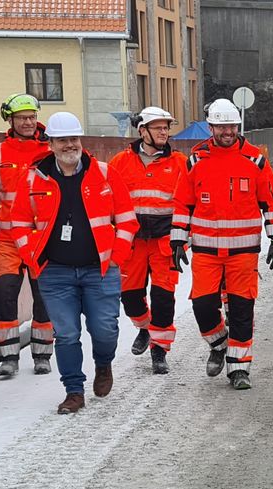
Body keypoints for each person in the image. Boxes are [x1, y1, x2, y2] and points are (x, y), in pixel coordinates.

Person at [10, 112, 139, 414]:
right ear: (51, 144)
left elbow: (127, 220)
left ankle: (103, 364)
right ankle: (73, 390)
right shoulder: (34, 178)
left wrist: (116, 257)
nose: (70, 145)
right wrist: (33, 258)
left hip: (100, 270)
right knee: (66, 334)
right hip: (55, 273)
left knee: (104, 329)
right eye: (63, 140)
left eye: (74, 139)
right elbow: (16, 222)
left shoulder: (104, 174)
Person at [171, 99, 273, 389]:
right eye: (221, 126)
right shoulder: (196, 161)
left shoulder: (255, 160)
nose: (227, 132)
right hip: (206, 252)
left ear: (238, 126)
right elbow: (183, 203)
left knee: (242, 310)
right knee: (203, 306)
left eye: (231, 126)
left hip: (243, 253)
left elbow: (270, 201)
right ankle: (219, 343)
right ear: (211, 128)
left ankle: (239, 369)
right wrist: (177, 240)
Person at [0, 93, 54, 378]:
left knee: (45, 296)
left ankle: (42, 353)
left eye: (32, 117)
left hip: (41, 238)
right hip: (7, 239)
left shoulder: (51, 150)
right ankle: (8, 357)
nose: (28, 122)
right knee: (4, 292)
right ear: (10, 120)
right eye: (22, 118)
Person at [108, 106, 187, 374]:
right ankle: (144, 327)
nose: (164, 132)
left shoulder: (178, 163)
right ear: (142, 131)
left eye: (166, 127)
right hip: (132, 242)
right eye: (158, 127)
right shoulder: (120, 162)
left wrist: (183, 239)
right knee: (130, 297)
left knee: (164, 298)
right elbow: (109, 200)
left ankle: (159, 351)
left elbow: (189, 204)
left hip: (165, 242)